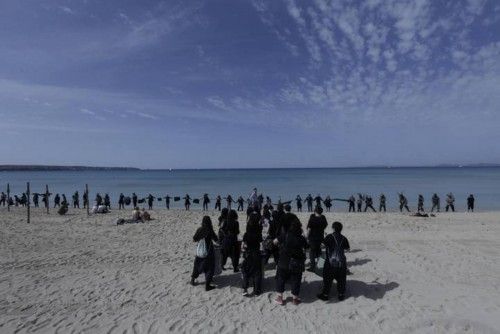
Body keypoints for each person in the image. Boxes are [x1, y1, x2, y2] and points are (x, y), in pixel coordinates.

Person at [274, 217, 308, 306]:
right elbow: (307, 247)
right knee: (296, 280)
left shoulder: (285, 235)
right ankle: (295, 299)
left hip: (284, 260)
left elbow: (275, 241)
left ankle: (280, 298)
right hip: (297, 262)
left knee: (280, 278)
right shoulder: (301, 238)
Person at [317, 221, 350, 301]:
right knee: (341, 279)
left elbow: (322, 246)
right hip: (341, 262)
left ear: (333, 228)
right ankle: (341, 294)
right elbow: (347, 249)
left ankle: (325, 295)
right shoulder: (344, 238)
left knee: (327, 279)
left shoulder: (329, 236)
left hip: (330, 262)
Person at [191, 216, 219, 291]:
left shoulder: (199, 229)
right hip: (208, 251)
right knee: (209, 267)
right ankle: (207, 285)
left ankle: (192, 280)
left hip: (199, 251)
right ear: (209, 222)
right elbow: (216, 239)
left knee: (197, 265)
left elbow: (194, 239)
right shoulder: (210, 230)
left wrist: (201, 238)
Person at [241, 213, 263, 296]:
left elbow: (243, 246)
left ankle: (245, 289)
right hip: (256, 253)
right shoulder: (258, 234)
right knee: (257, 272)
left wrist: (245, 248)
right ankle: (257, 290)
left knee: (245, 271)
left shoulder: (246, 234)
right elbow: (262, 245)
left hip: (248, 254)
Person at [306, 206, 328, 271]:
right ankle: (320, 266)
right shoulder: (323, 218)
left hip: (312, 237)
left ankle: (312, 267)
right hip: (320, 237)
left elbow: (309, 229)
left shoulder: (312, 218)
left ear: (315, 211)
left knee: (312, 253)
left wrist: (307, 237)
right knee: (319, 252)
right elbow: (325, 225)